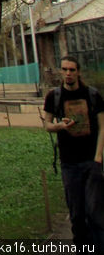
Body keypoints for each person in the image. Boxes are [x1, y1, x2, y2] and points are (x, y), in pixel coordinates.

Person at [43, 55, 104, 251]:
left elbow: (103, 127)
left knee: (95, 212)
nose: (68, 73)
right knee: (77, 214)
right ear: (61, 71)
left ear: (78, 72)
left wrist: (98, 157)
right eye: (65, 69)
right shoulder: (54, 97)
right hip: (69, 163)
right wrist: (60, 125)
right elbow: (47, 125)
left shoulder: (92, 95)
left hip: (90, 161)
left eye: (72, 70)